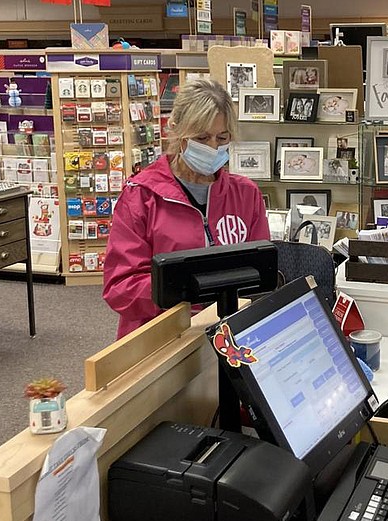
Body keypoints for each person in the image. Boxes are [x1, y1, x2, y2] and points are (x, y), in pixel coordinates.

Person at [103, 79, 270, 338]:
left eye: (222, 137)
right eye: (202, 138)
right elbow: (119, 287)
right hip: (161, 340)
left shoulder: (246, 194)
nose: (213, 148)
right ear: (176, 130)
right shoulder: (141, 196)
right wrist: (183, 292)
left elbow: (259, 275)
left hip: (229, 337)